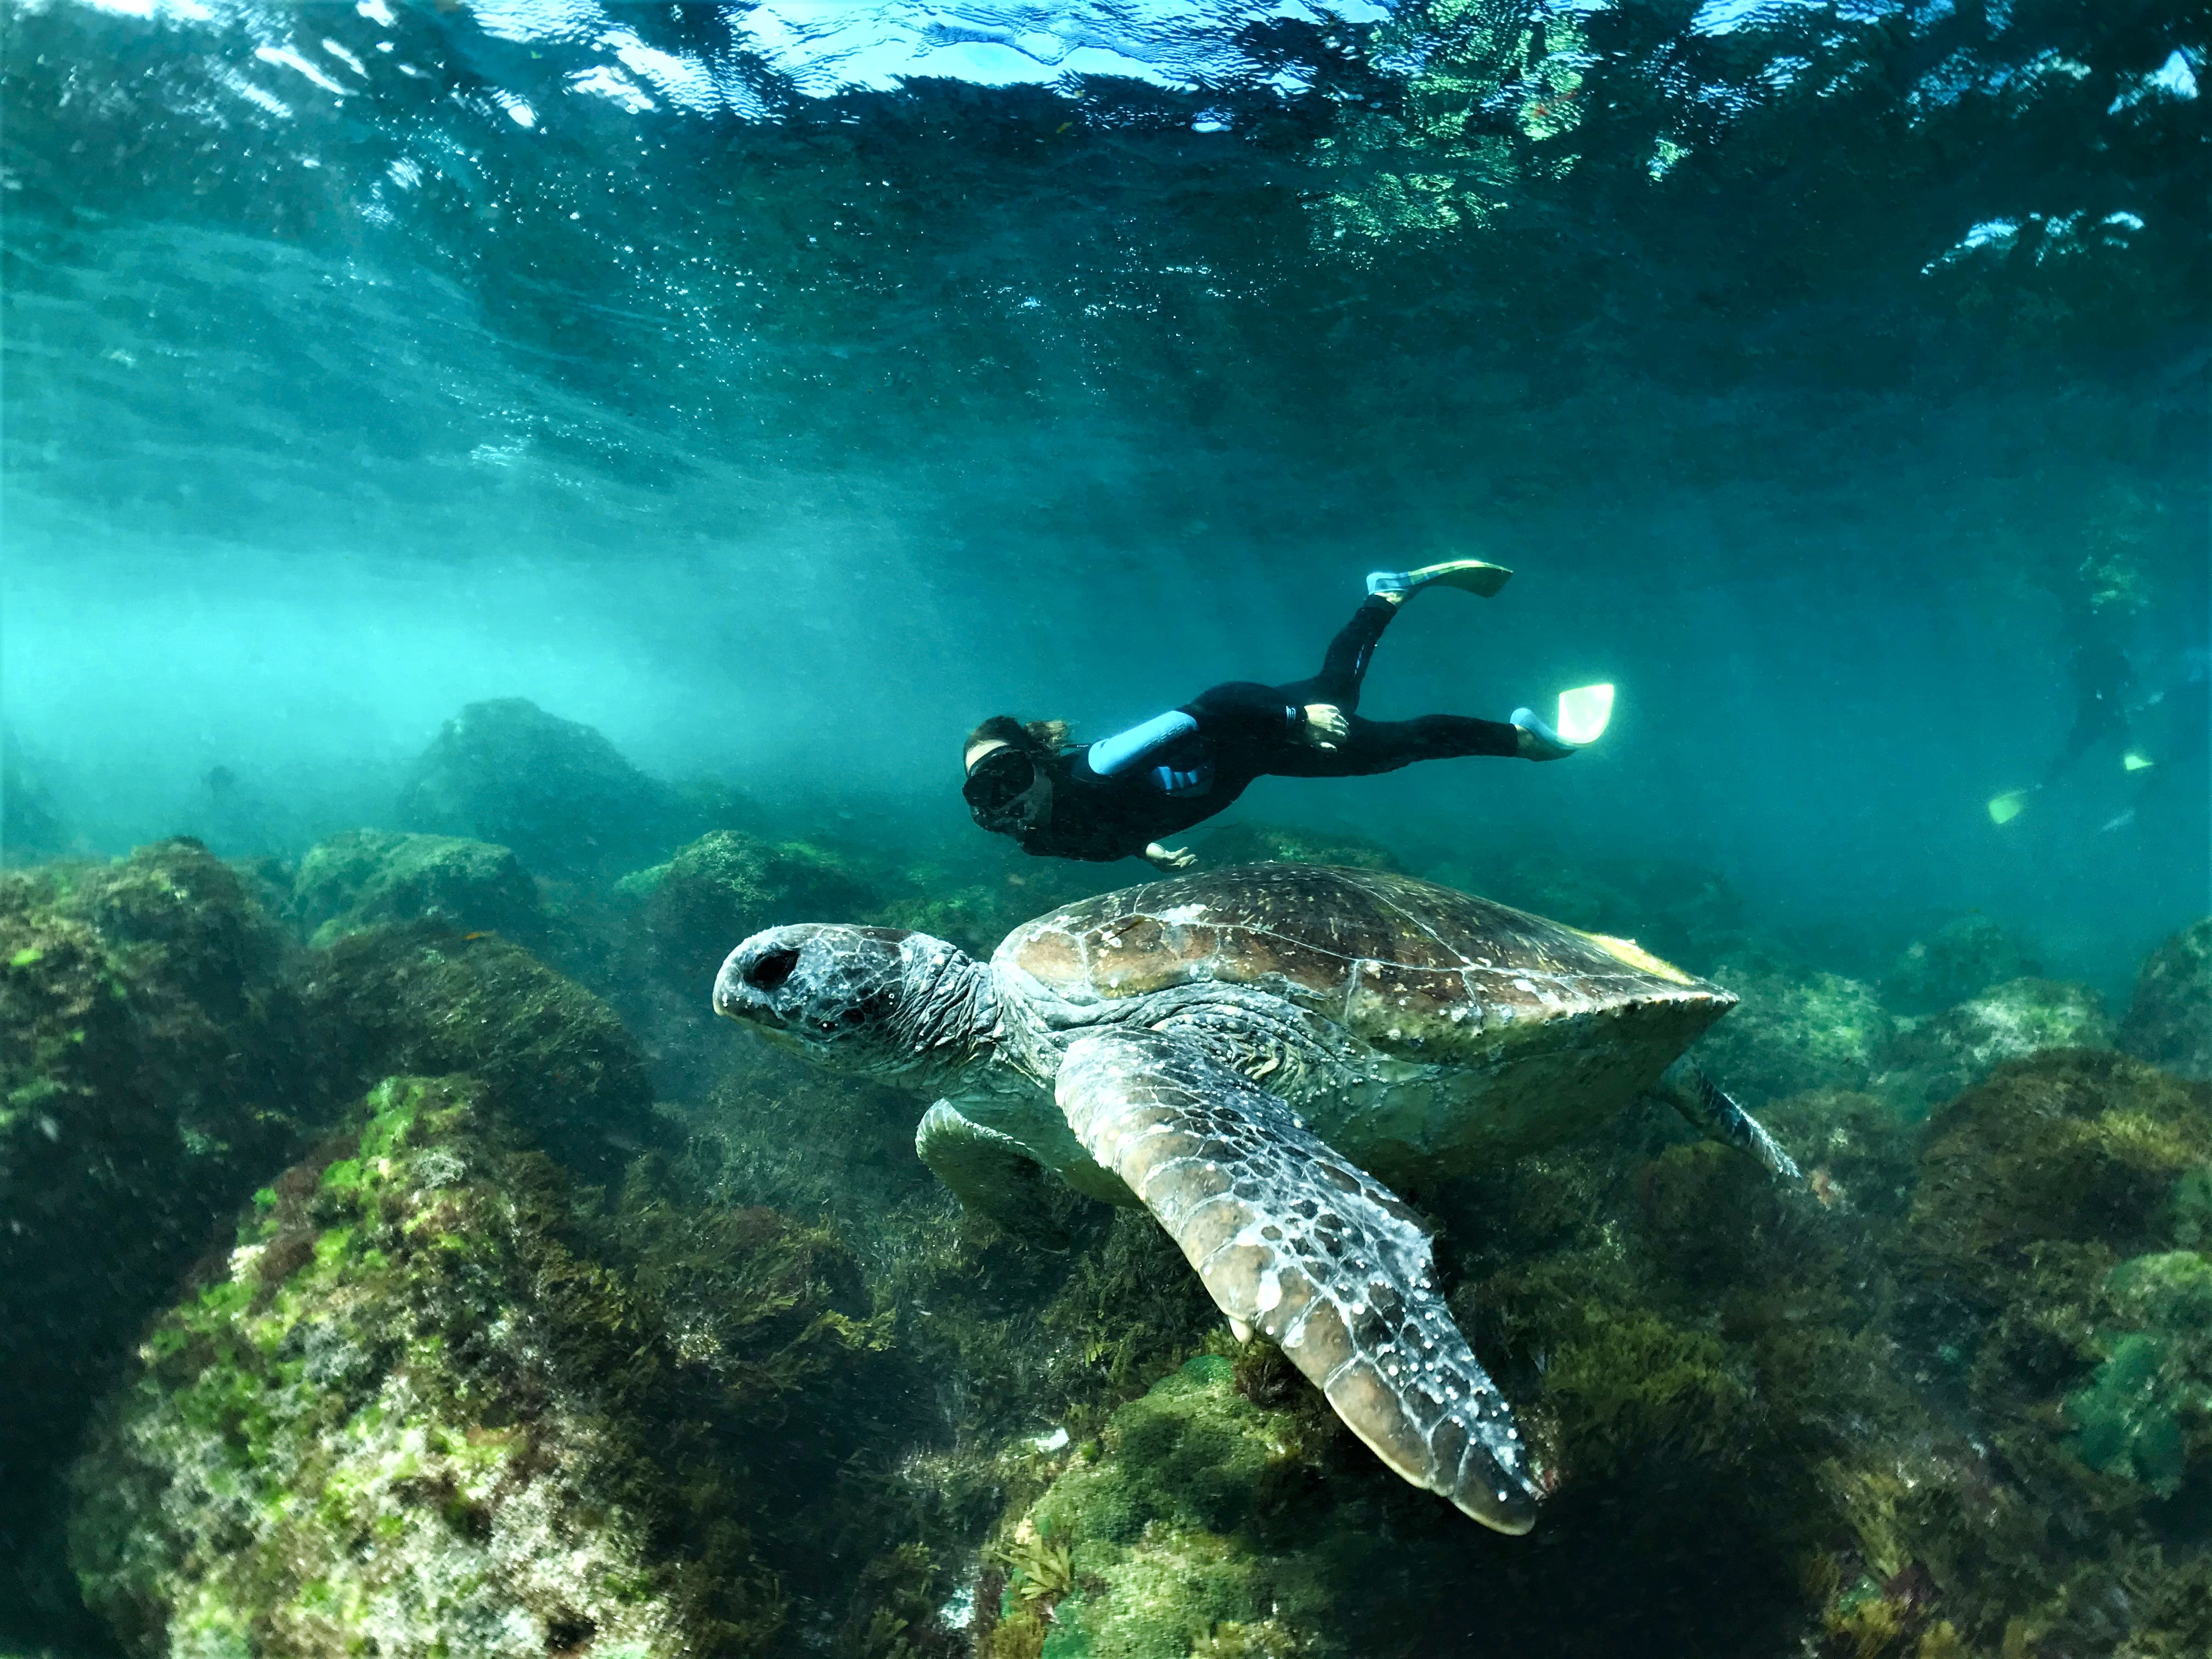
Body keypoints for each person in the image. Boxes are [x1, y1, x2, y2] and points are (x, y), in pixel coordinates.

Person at [962, 560, 1599, 867]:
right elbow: (1109, 827)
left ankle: (1528, 741)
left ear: (1040, 764)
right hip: (1254, 758)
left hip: (1254, 732)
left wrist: (1296, 721)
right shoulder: (1041, 838)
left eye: (1008, 777)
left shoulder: (1097, 768)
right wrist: (1144, 847)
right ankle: (1386, 596)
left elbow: (1211, 704)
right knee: (1338, 690)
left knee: (1392, 741)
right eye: (984, 794)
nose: (1003, 803)